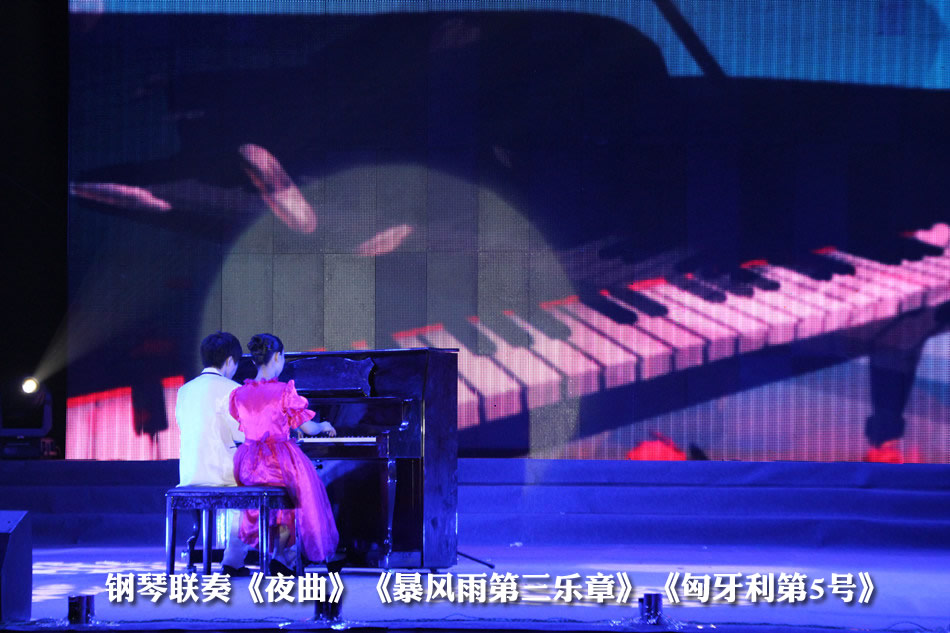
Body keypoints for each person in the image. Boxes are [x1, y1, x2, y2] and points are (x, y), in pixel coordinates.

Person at [230, 333, 340, 573]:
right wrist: (324, 425)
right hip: (277, 461)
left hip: (248, 464)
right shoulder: (284, 391)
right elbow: (308, 429)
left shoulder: (239, 394)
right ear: (278, 357)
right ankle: (282, 554)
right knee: (304, 493)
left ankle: (278, 554)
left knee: (283, 492)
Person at [175, 331, 248, 575]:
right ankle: (234, 560)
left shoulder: (184, 390)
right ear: (230, 361)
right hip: (220, 472)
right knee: (255, 488)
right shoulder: (233, 389)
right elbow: (242, 434)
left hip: (189, 472)